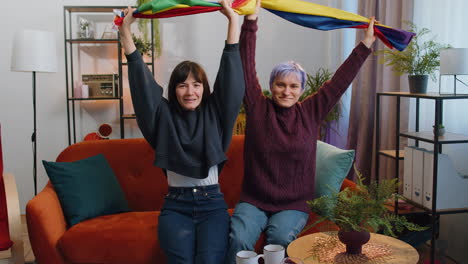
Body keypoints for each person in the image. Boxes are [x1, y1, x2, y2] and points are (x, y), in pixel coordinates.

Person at [225, 0, 377, 262]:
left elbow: (340, 82)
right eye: (280, 84)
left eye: (294, 86)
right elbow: (246, 66)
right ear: (271, 86)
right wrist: (250, 23)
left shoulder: (311, 111)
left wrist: (364, 46)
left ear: (302, 90)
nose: (286, 91)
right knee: (238, 239)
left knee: (281, 241)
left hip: (293, 203)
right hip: (254, 200)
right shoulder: (257, 106)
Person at [118, 1, 244, 263]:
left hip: (212, 206)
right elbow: (142, 87)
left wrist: (233, 22)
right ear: (173, 90)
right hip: (176, 206)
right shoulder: (162, 117)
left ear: (204, 87)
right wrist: (126, 33)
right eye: (182, 85)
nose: (190, 92)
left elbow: (231, 78)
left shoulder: (216, 113)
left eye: (196, 84)